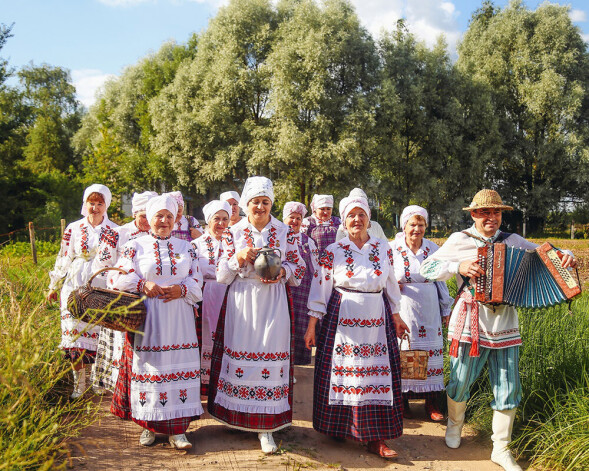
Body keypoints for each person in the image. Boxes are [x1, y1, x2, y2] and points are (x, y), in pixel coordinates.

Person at [419, 189, 577, 471]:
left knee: (508, 385)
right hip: (469, 321)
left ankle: (501, 448)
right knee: (461, 380)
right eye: (485, 212)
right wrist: (459, 265)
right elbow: (427, 267)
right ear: (474, 215)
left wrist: (567, 254)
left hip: (505, 323)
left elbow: (545, 254)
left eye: (496, 212)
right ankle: (454, 427)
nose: (491, 217)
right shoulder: (460, 240)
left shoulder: (513, 241)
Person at [304, 193, 409, 459]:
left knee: (374, 375)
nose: (357, 220)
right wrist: (312, 325)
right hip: (342, 316)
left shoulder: (383, 248)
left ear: (368, 219)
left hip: (377, 318)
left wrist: (396, 315)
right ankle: (339, 426)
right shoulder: (333, 251)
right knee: (345, 373)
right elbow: (320, 288)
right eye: (351, 215)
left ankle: (376, 437)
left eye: (361, 214)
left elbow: (391, 284)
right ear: (344, 221)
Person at [208, 176, 306, 454]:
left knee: (270, 354)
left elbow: (299, 269)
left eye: (265, 202)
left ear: (271, 204)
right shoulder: (233, 231)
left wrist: (282, 272)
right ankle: (237, 417)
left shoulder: (285, 231)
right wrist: (238, 256)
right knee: (241, 353)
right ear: (245, 204)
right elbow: (220, 274)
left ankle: (266, 427)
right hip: (242, 300)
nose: (260, 207)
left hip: (273, 301)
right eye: (255, 202)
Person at [110, 194, 204, 451]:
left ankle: (178, 431)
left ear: (176, 221)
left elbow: (198, 282)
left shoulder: (187, 248)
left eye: (169, 217)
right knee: (152, 370)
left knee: (177, 368)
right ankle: (148, 426)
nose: (164, 221)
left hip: (179, 318)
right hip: (149, 317)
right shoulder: (134, 246)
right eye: (159, 216)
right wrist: (143, 284)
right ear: (149, 219)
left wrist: (182, 290)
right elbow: (117, 279)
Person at [47, 184, 118, 399]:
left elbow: (117, 260)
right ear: (85, 204)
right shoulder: (73, 228)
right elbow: (64, 256)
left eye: (99, 203)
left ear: (106, 206)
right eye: (91, 203)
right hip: (74, 284)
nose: (95, 208)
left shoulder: (114, 230)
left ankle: (98, 380)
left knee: (99, 335)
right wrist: (53, 284)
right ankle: (79, 384)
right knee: (75, 335)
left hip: (100, 285)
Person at [90, 190, 158, 393]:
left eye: (150, 215)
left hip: (150, 299)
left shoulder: (157, 236)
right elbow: (100, 266)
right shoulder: (118, 234)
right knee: (122, 344)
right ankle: (121, 388)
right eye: (143, 216)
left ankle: (144, 385)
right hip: (123, 300)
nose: (147, 221)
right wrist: (120, 285)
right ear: (134, 214)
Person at [390, 205, 452, 421]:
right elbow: (385, 277)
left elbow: (441, 281)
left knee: (429, 352)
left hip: (429, 306)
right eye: (412, 224)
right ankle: (404, 400)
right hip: (404, 306)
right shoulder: (393, 249)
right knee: (408, 349)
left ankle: (431, 402)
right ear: (404, 226)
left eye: (421, 224)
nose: (417, 229)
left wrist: (446, 308)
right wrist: (392, 286)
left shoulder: (433, 249)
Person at [191, 199, 231, 395]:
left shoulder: (234, 243)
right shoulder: (195, 245)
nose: (221, 224)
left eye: (225, 219)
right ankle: (204, 383)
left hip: (228, 293)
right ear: (208, 220)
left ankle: (222, 379)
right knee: (203, 335)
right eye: (217, 219)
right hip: (204, 293)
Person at [282, 201, 319, 366]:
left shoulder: (308, 242)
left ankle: (294, 367)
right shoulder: (278, 238)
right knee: (283, 328)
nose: (294, 222)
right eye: (291, 217)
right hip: (283, 289)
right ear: (284, 219)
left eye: (298, 218)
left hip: (303, 292)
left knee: (298, 328)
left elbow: (316, 268)